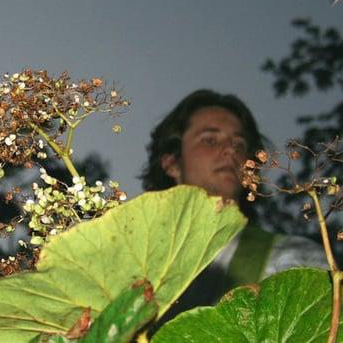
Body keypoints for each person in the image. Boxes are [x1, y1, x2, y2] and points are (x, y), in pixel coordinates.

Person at [140, 89, 327, 318]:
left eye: (240, 144)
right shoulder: (136, 259)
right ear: (171, 163)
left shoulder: (293, 259)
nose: (231, 150)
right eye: (209, 140)